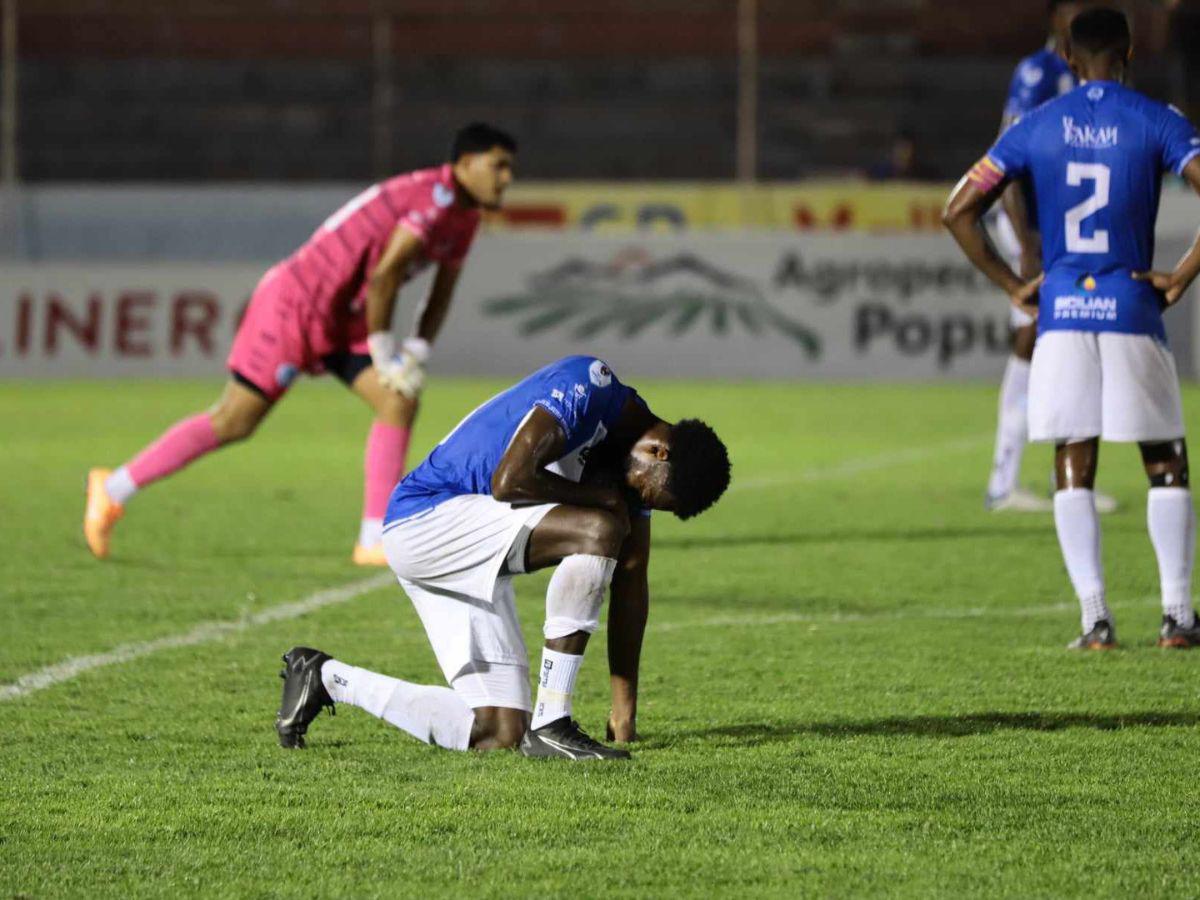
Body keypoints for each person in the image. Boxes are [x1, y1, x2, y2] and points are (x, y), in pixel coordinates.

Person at [83, 123, 517, 566]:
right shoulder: (434, 199)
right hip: (297, 304)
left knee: (397, 400)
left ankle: (373, 538)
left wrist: (418, 351)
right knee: (236, 420)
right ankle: (112, 488)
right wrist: (386, 350)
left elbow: (441, 290)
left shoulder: (465, 218)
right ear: (464, 165)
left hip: (344, 315)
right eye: (498, 166)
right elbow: (387, 274)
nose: (506, 178)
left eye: (509, 169)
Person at [273, 355, 732, 759]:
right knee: (601, 527)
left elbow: (631, 583)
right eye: (646, 490)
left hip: (462, 550)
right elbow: (509, 480)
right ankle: (554, 722)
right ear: (658, 451)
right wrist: (600, 499)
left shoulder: (631, 470)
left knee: (500, 729)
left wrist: (624, 713)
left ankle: (325, 676)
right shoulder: (590, 385)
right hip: (425, 517)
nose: (637, 497)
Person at [943, 7, 1200, 649]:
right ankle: (1177, 617)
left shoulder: (1036, 125)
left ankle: (1095, 620)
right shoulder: (1158, 120)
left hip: (1060, 315)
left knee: (1072, 459)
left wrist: (1013, 285)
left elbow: (958, 212)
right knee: (1164, 459)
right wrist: (1183, 275)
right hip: (1132, 306)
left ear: (1065, 54)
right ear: (1130, 52)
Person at [985, 0, 1098, 512]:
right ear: (1056, 18)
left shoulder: (1090, 76)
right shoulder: (1038, 72)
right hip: (1028, 227)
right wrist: (1026, 246)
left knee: (1070, 339)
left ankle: (1068, 482)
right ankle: (1003, 481)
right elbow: (1007, 153)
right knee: (1034, 335)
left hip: (1064, 230)